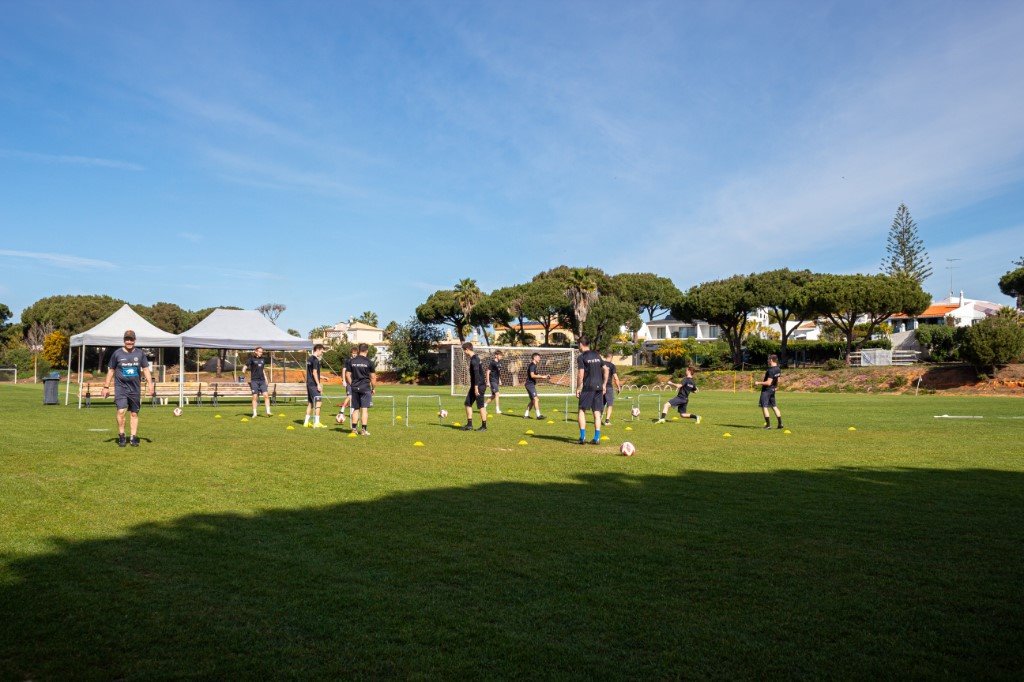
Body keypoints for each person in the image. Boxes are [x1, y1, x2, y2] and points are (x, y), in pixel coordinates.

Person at [100, 329, 155, 447]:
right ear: (124, 340)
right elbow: (111, 370)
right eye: (127, 339)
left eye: (131, 339)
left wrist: (151, 384)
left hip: (135, 388)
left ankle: (133, 437)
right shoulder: (117, 354)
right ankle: (121, 435)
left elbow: (146, 369)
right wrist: (106, 387)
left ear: (135, 340)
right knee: (121, 411)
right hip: (121, 388)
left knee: (134, 414)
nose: (129, 342)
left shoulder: (140, 354)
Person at [575, 337, 608, 445]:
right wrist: (604, 384)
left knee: (581, 410)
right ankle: (596, 438)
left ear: (581, 344)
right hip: (599, 387)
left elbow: (580, 374)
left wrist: (578, 388)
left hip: (588, 387)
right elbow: (606, 369)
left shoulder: (581, 357)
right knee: (597, 412)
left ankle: (582, 437)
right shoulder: (597, 355)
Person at [346, 343, 376, 435]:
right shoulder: (369, 362)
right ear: (367, 351)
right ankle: (363, 430)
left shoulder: (352, 361)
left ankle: (354, 429)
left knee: (356, 409)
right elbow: (373, 377)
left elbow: (347, 375)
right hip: (365, 388)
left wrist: (352, 384)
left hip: (355, 387)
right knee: (364, 409)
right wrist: (373, 388)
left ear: (359, 350)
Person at [461, 342, 488, 431]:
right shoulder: (475, 358)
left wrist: (476, 387)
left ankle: (484, 426)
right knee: (467, 403)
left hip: (479, 386)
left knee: (481, 406)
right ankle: (469, 425)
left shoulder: (474, 360)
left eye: (464, 351)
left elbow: (477, 374)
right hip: (475, 385)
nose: (464, 353)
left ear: (467, 349)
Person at [241, 346, 272, 418]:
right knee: (255, 397)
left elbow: (262, 370)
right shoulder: (251, 359)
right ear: (256, 351)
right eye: (260, 352)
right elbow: (246, 365)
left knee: (266, 396)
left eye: (262, 352)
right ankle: (254, 413)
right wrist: (243, 371)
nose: (261, 353)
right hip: (254, 381)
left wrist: (266, 379)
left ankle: (268, 411)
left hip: (262, 381)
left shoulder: (263, 359)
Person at [757, 354, 784, 429]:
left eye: (768, 359)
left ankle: (768, 425)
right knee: (774, 406)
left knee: (764, 406)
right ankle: (780, 424)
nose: (767, 361)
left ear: (771, 360)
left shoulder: (771, 370)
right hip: (772, 390)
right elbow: (778, 380)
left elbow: (768, 383)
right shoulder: (778, 369)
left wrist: (758, 383)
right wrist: (776, 387)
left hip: (766, 390)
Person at [303, 344, 326, 428]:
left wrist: (322, 377)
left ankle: (306, 422)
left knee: (310, 403)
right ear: (318, 350)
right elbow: (314, 372)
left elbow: (311, 372)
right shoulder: (315, 360)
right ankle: (317, 422)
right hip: (313, 384)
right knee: (319, 401)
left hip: (309, 383)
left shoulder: (309, 359)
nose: (322, 353)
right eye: (322, 351)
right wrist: (318, 384)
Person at [523, 352, 549, 419]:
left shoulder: (534, 365)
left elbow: (536, 375)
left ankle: (526, 415)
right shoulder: (532, 365)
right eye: (538, 357)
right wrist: (542, 377)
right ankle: (538, 415)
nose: (539, 359)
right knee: (536, 399)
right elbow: (532, 375)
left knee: (532, 400)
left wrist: (544, 376)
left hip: (530, 384)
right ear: (534, 358)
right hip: (530, 385)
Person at [337, 346, 357, 427]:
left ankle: (352, 413)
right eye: (353, 353)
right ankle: (342, 411)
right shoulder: (347, 360)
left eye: (355, 354)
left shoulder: (357, 360)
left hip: (356, 382)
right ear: (351, 353)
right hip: (349, 382)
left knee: (354, 397)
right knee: (349, 396)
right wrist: (344, 380)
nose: (354, 355)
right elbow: (344, 370)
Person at [601, 352, 622, 424]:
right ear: (611, 357)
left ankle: (598, 419)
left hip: (600, 386)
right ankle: (607, 420)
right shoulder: (612, 365)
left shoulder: (600, 364)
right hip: (608, 386)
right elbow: (616, 378)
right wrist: (618, 387)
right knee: (610, 404)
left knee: (601, 404)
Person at [485, 350, 504, 415]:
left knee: (493, 395)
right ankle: (497, 409)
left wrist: (499, 380)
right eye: (500, 355)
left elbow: (498, 372)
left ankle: (484, 406)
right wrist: (488, 382)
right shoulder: (492, 363)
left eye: (501, 355)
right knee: (497, 394)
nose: (501, 356)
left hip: (496, 381)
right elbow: (488, 372)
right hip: (492, 380)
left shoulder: (499, 363)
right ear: (496, 355)